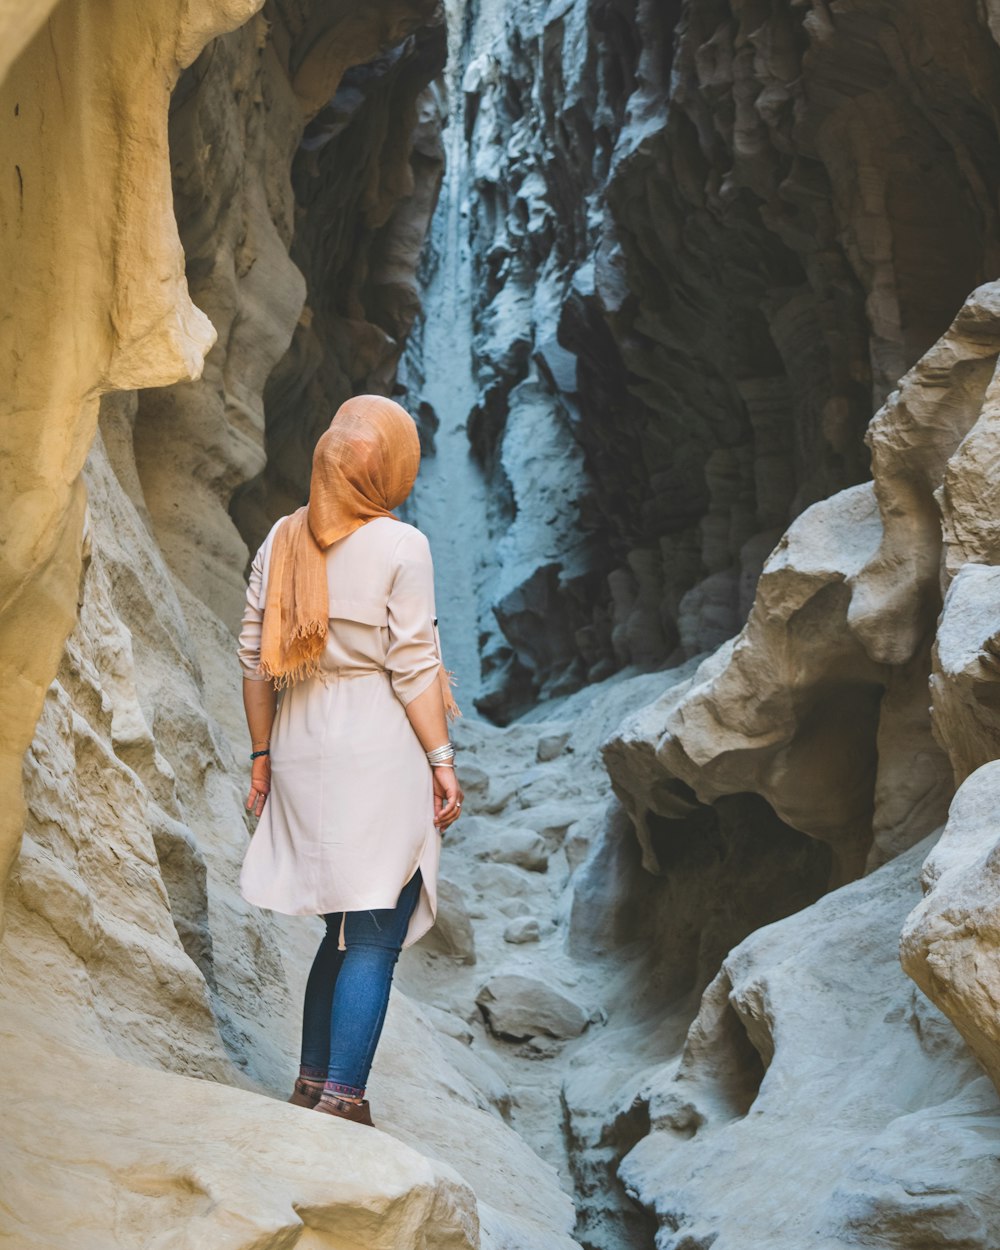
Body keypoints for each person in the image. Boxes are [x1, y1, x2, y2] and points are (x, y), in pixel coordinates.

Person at [236, 393, 465, 1128]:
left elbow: (251, 660)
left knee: (336, 926)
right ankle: (344, 1098)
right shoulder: (404, 546)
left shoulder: (281, 538)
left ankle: (309, 1083)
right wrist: (442, 758)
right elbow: (415, 666)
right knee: (374, 930)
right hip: (376, 746)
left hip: (302, 740)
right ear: (390, 468)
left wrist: (263, 756)